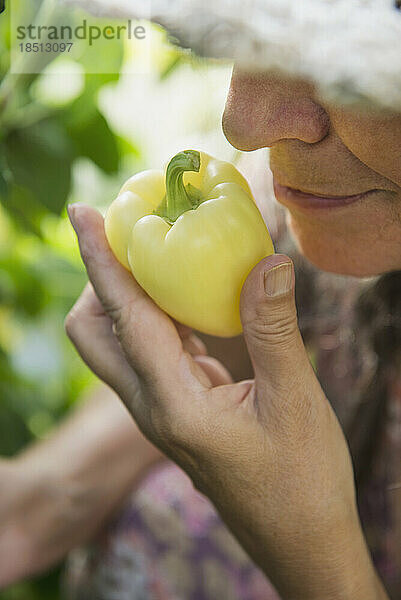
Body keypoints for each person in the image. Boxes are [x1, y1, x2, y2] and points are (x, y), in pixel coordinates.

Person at [2, 1, 401, 599]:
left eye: (352, 76)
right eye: (264, 39)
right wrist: (42, 499)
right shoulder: (323, 197)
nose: (243, 124)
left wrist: (315, 559)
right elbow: (230, 331)